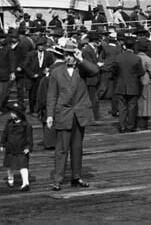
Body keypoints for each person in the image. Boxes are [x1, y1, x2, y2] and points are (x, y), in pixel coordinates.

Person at [46, 42, 100, 191]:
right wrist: (50, 115)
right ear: (63, 56)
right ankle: (58, 179)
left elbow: (95, 71)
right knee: (61, 149)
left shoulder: (82, 70)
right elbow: (51, 95)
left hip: (80, 115)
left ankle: (76, 177)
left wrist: (81, 59)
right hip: (63, 113)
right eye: (67, 55)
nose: (69, 57)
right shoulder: (56, 72)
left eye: (71, 54)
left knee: (77, 148)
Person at [110, 37, 145, 133]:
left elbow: (113, 71)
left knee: (122, 107)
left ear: (124, 46)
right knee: (132, 107)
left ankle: (122, 126)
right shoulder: (136, 58)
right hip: (133, 85)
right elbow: (141, 72)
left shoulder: (118, 57)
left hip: (120, 85)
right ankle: (130, 126)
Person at [0, 102, 33, 191]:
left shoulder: (26, 125)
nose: (11, 114)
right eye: (11, 112)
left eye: (13, 112)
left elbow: (29, 137)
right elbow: (5, 134)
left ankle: (25, 183)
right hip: (10, 148)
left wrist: (28, 147)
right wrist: (2, 144)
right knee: (9, 165)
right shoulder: (9, 123)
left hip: (21, 149)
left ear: (19, 114)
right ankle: (10, 179)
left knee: (23, 166)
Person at [81, 32, 101, 122]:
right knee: (92, 98)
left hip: (95, 77)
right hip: (90, 78)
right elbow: (88, 65)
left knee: (94, 98)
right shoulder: (87, 50)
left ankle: (94, 116)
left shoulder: (94, 49)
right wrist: (98, 65)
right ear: (94, 41)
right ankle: (92, 117)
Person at [135, 41, 151, 130]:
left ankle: (137, 119)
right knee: (146, 101)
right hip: (145, 80)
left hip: (135, 81)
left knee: (137, 100)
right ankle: (144, 122)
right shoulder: (148, 59)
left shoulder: (135, 57)